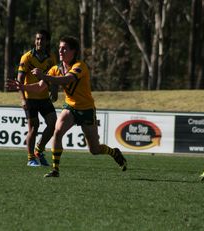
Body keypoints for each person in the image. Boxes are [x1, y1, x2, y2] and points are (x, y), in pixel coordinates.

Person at [8, 36, 127, 177]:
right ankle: (55, 170)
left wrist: (44, 76)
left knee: (94, 149)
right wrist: (22, 86)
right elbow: (40, 87)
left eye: (64, 48)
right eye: (59, 48)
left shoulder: (80, 66)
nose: (60, 50)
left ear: (73, 51)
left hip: (86, 109)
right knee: (57, 132)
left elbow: (67, 79)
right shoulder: (55, 69)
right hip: (70, 107)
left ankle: (114, 152)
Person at [16, 29, 58, 167]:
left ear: (47, 41)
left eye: (42, 39)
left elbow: (55, 76)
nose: (39, 41)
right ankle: (30, 159)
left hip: (44, 97)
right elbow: (19, 81)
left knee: (53, 124)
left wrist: (54, 90)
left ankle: (38, 151)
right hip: (30, 98)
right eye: (37, 39)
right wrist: (23, 99)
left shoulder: (51, 57)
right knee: (34, 128)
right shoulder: (27, 57)